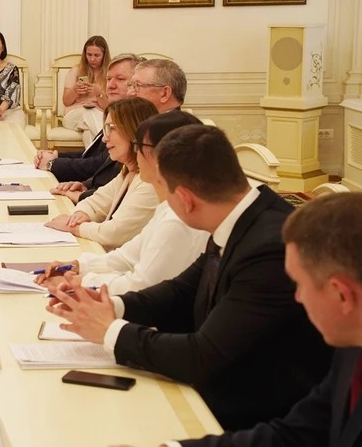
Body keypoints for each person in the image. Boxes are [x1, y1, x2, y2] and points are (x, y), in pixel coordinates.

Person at [46, 124, 332, 431]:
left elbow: (203, 356)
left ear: (185, 198)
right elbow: (182, 291)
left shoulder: (268, 248)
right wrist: (109, 305)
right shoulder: (237, 212)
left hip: (253, 414)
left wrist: (110, 331)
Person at [159, 192, 362, 446]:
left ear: (341, 294)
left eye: (299, 284)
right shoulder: (351, 346)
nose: (297, 297)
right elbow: (296, 434)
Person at [36, 111, 208, 294]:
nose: (136, 151)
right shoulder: (167, 205)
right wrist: (77, 266)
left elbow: (141, 284)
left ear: (161, 156)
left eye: (139, 145)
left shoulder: (175, 218)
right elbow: (127, 257)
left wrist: (82, 281)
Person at [45, 97, 160, 250]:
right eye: (105, 129)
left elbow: (114, 234)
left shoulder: (149, 182)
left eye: (112, 129)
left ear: (134, 131)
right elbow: (96, 201)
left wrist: (75, 227)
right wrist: (82, 214)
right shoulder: (128, 171)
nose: (105, 138)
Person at [35, 53, 145, 190]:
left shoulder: (135, 121)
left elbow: (99, 166)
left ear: (136, 86)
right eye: (108, 79)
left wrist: (52, 164)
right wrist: (56, 155)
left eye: (120, 79)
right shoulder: (118, 114)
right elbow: (92, 154)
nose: (110, 85)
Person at [61, 36, 110, 145]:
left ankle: (95, 155)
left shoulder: (109, 74)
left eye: (97, 55)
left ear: (104, 55)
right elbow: (66, 102)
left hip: (98, 114)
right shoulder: (76, 71)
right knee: (89, 114)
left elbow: (109, 108)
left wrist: (99, 94)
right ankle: (105, 147)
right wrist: (74, 91)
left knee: (88, 131)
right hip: (74, 114)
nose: (92, 59)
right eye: (89, 54)